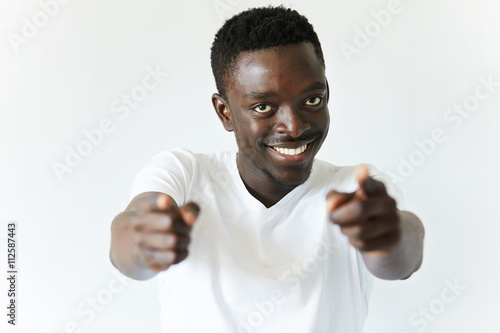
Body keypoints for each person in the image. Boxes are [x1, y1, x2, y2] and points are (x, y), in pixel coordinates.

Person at [109, 6, 425, 333]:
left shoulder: (354, 191)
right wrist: (143, 240)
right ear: (225, 112)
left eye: (312, 100)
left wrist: (391, 236)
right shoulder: (186, 175)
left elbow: (403, 258)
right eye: (263, 107)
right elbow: (126, 242)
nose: (293, 125)